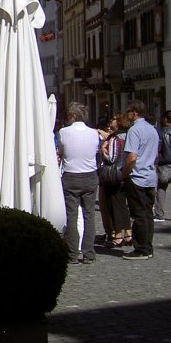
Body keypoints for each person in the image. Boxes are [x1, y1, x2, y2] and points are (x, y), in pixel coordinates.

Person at [57, 102, 101, 264]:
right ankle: (89, 253)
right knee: (89, 216)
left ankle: (72, 253)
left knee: (72, 216)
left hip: (71, 176)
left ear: (73, 116)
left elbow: (61, 152)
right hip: (90, 175)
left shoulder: (64, 132)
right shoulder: (93, 133)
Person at [121, 100, 159, 260]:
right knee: (148, 214)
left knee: (139, 215)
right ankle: (148, 246)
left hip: (137, 177)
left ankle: (141, 249)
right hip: (150, 176)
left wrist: (124, 173)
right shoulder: (152, 130)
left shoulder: (134, 130)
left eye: (128, 111)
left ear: (135, 112)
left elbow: (132, 156)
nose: (127, 114)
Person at [98, 112, 131, 248]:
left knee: (115, 205)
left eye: (114, 120)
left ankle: (118, 236)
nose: (111, 122)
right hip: (125, 173)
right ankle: (128, 234)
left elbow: (112, 158)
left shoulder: (115, 138)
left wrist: (103, 151)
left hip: (114, 174)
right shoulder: (128, 136)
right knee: (123, 206)